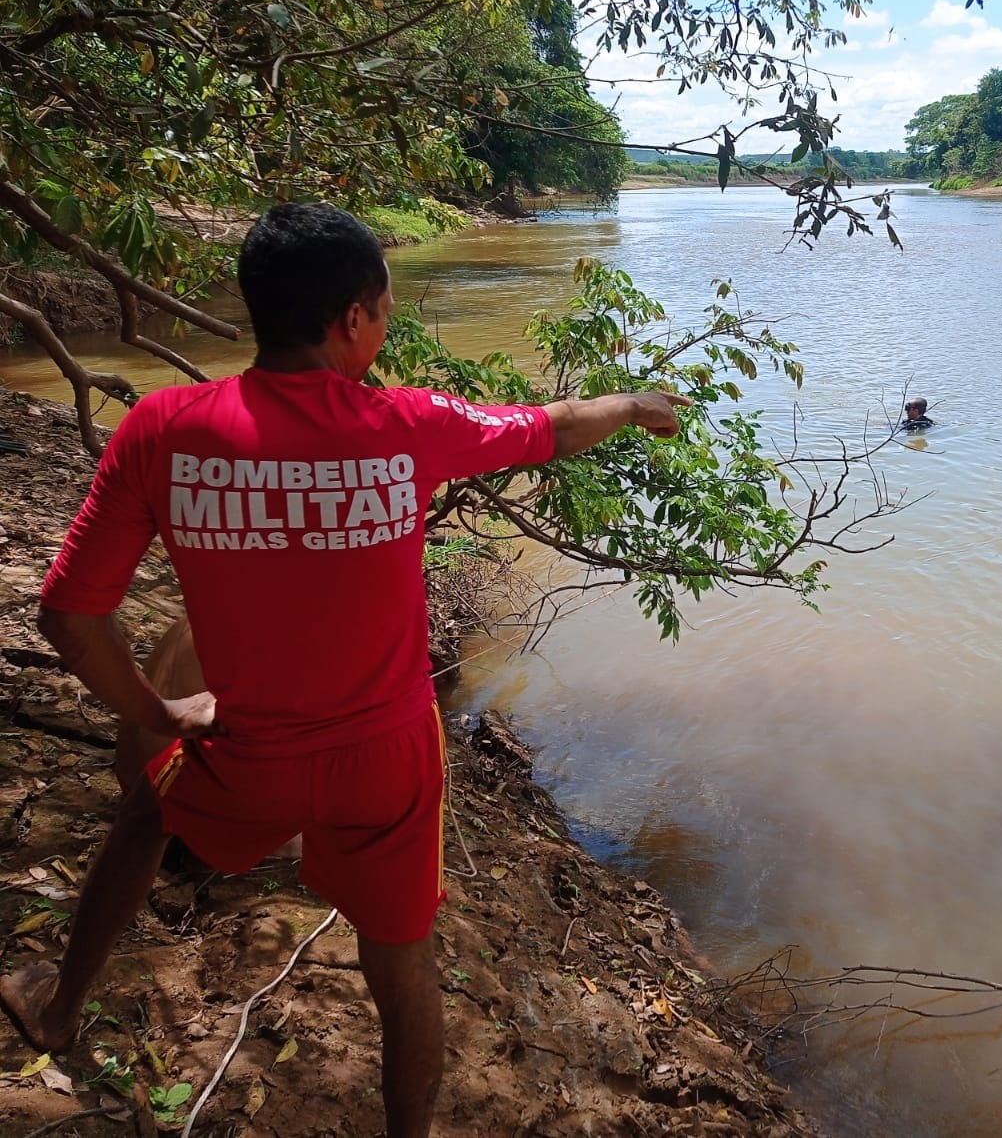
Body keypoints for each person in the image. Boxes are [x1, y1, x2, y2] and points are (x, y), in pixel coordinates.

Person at [0, 202, 691, 1138]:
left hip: (243, 752)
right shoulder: (404, 424)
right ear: (355, 317)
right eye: (387, 306)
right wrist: (637, 405)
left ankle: (60, 1009)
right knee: (404, 973)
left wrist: (158, 714)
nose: (388, 324)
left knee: (143, 817)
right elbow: (557, 423)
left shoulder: (164, 430)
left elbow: (69, 615)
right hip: (388, 766)